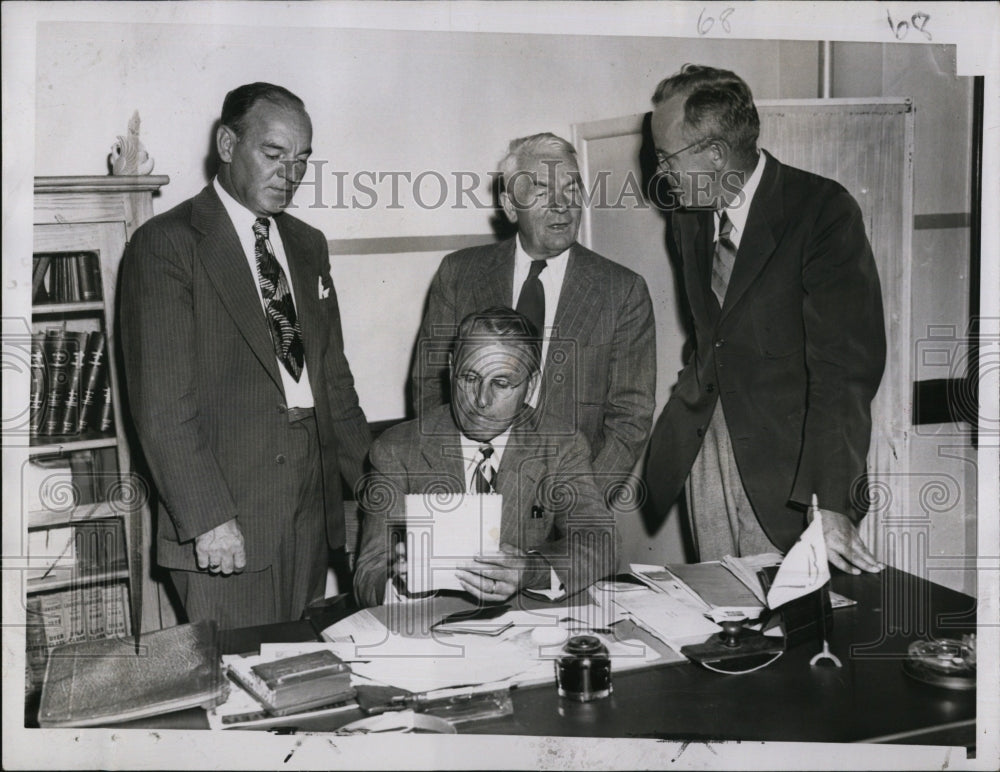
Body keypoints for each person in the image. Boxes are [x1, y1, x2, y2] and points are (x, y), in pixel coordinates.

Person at [121, 83, 370, 627]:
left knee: (301, 659)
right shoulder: (167, 244)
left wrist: (379, 494)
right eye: (274, 153)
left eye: (301, 160)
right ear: (228, 144)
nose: (290, 174)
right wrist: (209, 518)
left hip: (310, 498)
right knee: (239, 666)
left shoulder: (308, 244)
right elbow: (162, 407)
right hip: (226, 508)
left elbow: (333, 383)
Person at [644, 64, 886, 574]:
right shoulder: (687, 219)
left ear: (714, 153)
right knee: (719, 601)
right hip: (707, 448)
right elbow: (711, 336)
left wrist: (832, 499)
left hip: (789, 465)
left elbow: (843, 371)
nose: (660, 174)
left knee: (789, 610)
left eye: (666, 158)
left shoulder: (822, 212)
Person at [411, 133, 655, 497]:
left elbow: (630, 417)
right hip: (467, 489)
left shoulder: (622, 290)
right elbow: (430, 384)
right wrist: (454, 485)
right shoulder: (459, 274)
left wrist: (580, 503)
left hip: (569, 494)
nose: (562, 205)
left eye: (571, 189)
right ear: (511, 207)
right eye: (542, 191)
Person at [355, 307, 618, 608]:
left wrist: (532, 571)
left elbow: (600, 542)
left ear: (531, 385)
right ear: (451, 369)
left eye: (501, 383)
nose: (481, 400)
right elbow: (368, 574)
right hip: (432, 623)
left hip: (525, 620)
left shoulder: (561, 445)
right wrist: (403, 586)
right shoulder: (398, 449)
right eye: (470, 378)